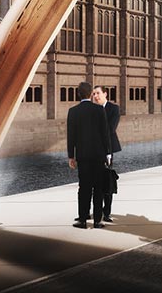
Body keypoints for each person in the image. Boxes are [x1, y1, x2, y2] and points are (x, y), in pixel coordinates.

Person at [67, 81, 111, 229]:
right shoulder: (99, 110)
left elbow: (71, 136)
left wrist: (71, 156)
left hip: (83, 156)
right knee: (98, 188)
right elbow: (105, 134)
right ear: (90, 94)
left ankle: (82, 220)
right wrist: (108, 153)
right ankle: (98, 221)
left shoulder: (73, 111)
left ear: (78, 94)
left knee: (84, 188)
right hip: (98, 155)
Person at [99, 87, 120, 222]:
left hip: (107, 149)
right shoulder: (93, 109)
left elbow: (111, 129)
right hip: (94, 150)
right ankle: (97, 210)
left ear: (105, 94)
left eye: (98, 93)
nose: (96, 96)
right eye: (94, 94)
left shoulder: (113, 108)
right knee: (95, 183)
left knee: (107, 182)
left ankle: (106, 212)